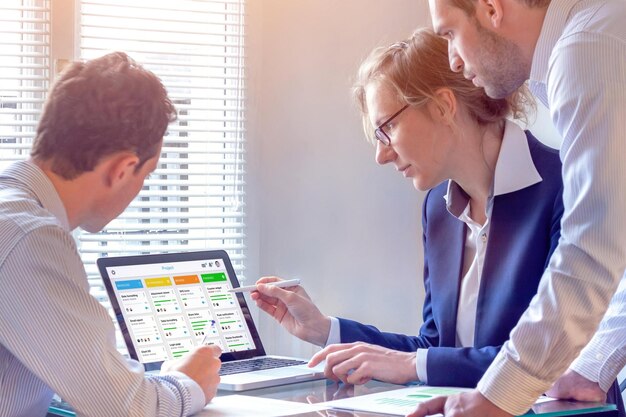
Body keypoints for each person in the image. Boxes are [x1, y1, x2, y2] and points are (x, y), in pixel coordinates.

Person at [251, 27, 607, 401]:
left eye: (386, 129)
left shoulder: (568, 188)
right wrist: (324, 329)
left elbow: (555, 360)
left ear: (443, 106)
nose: (381, 155)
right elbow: (436, 346)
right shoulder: (439, 207)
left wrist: (414, 365)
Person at [409, 0, 626, 416]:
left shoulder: (586, 48)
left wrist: (498, 395)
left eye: (451, 33)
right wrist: (592, 365)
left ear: (491, 9)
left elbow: (593, 247)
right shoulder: (588, 43)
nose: (453, 61)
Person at [0, 52, 221, 417]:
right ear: (123, 169)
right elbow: (128, 410)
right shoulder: (29, 239)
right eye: (145, 176)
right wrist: (189, 382)